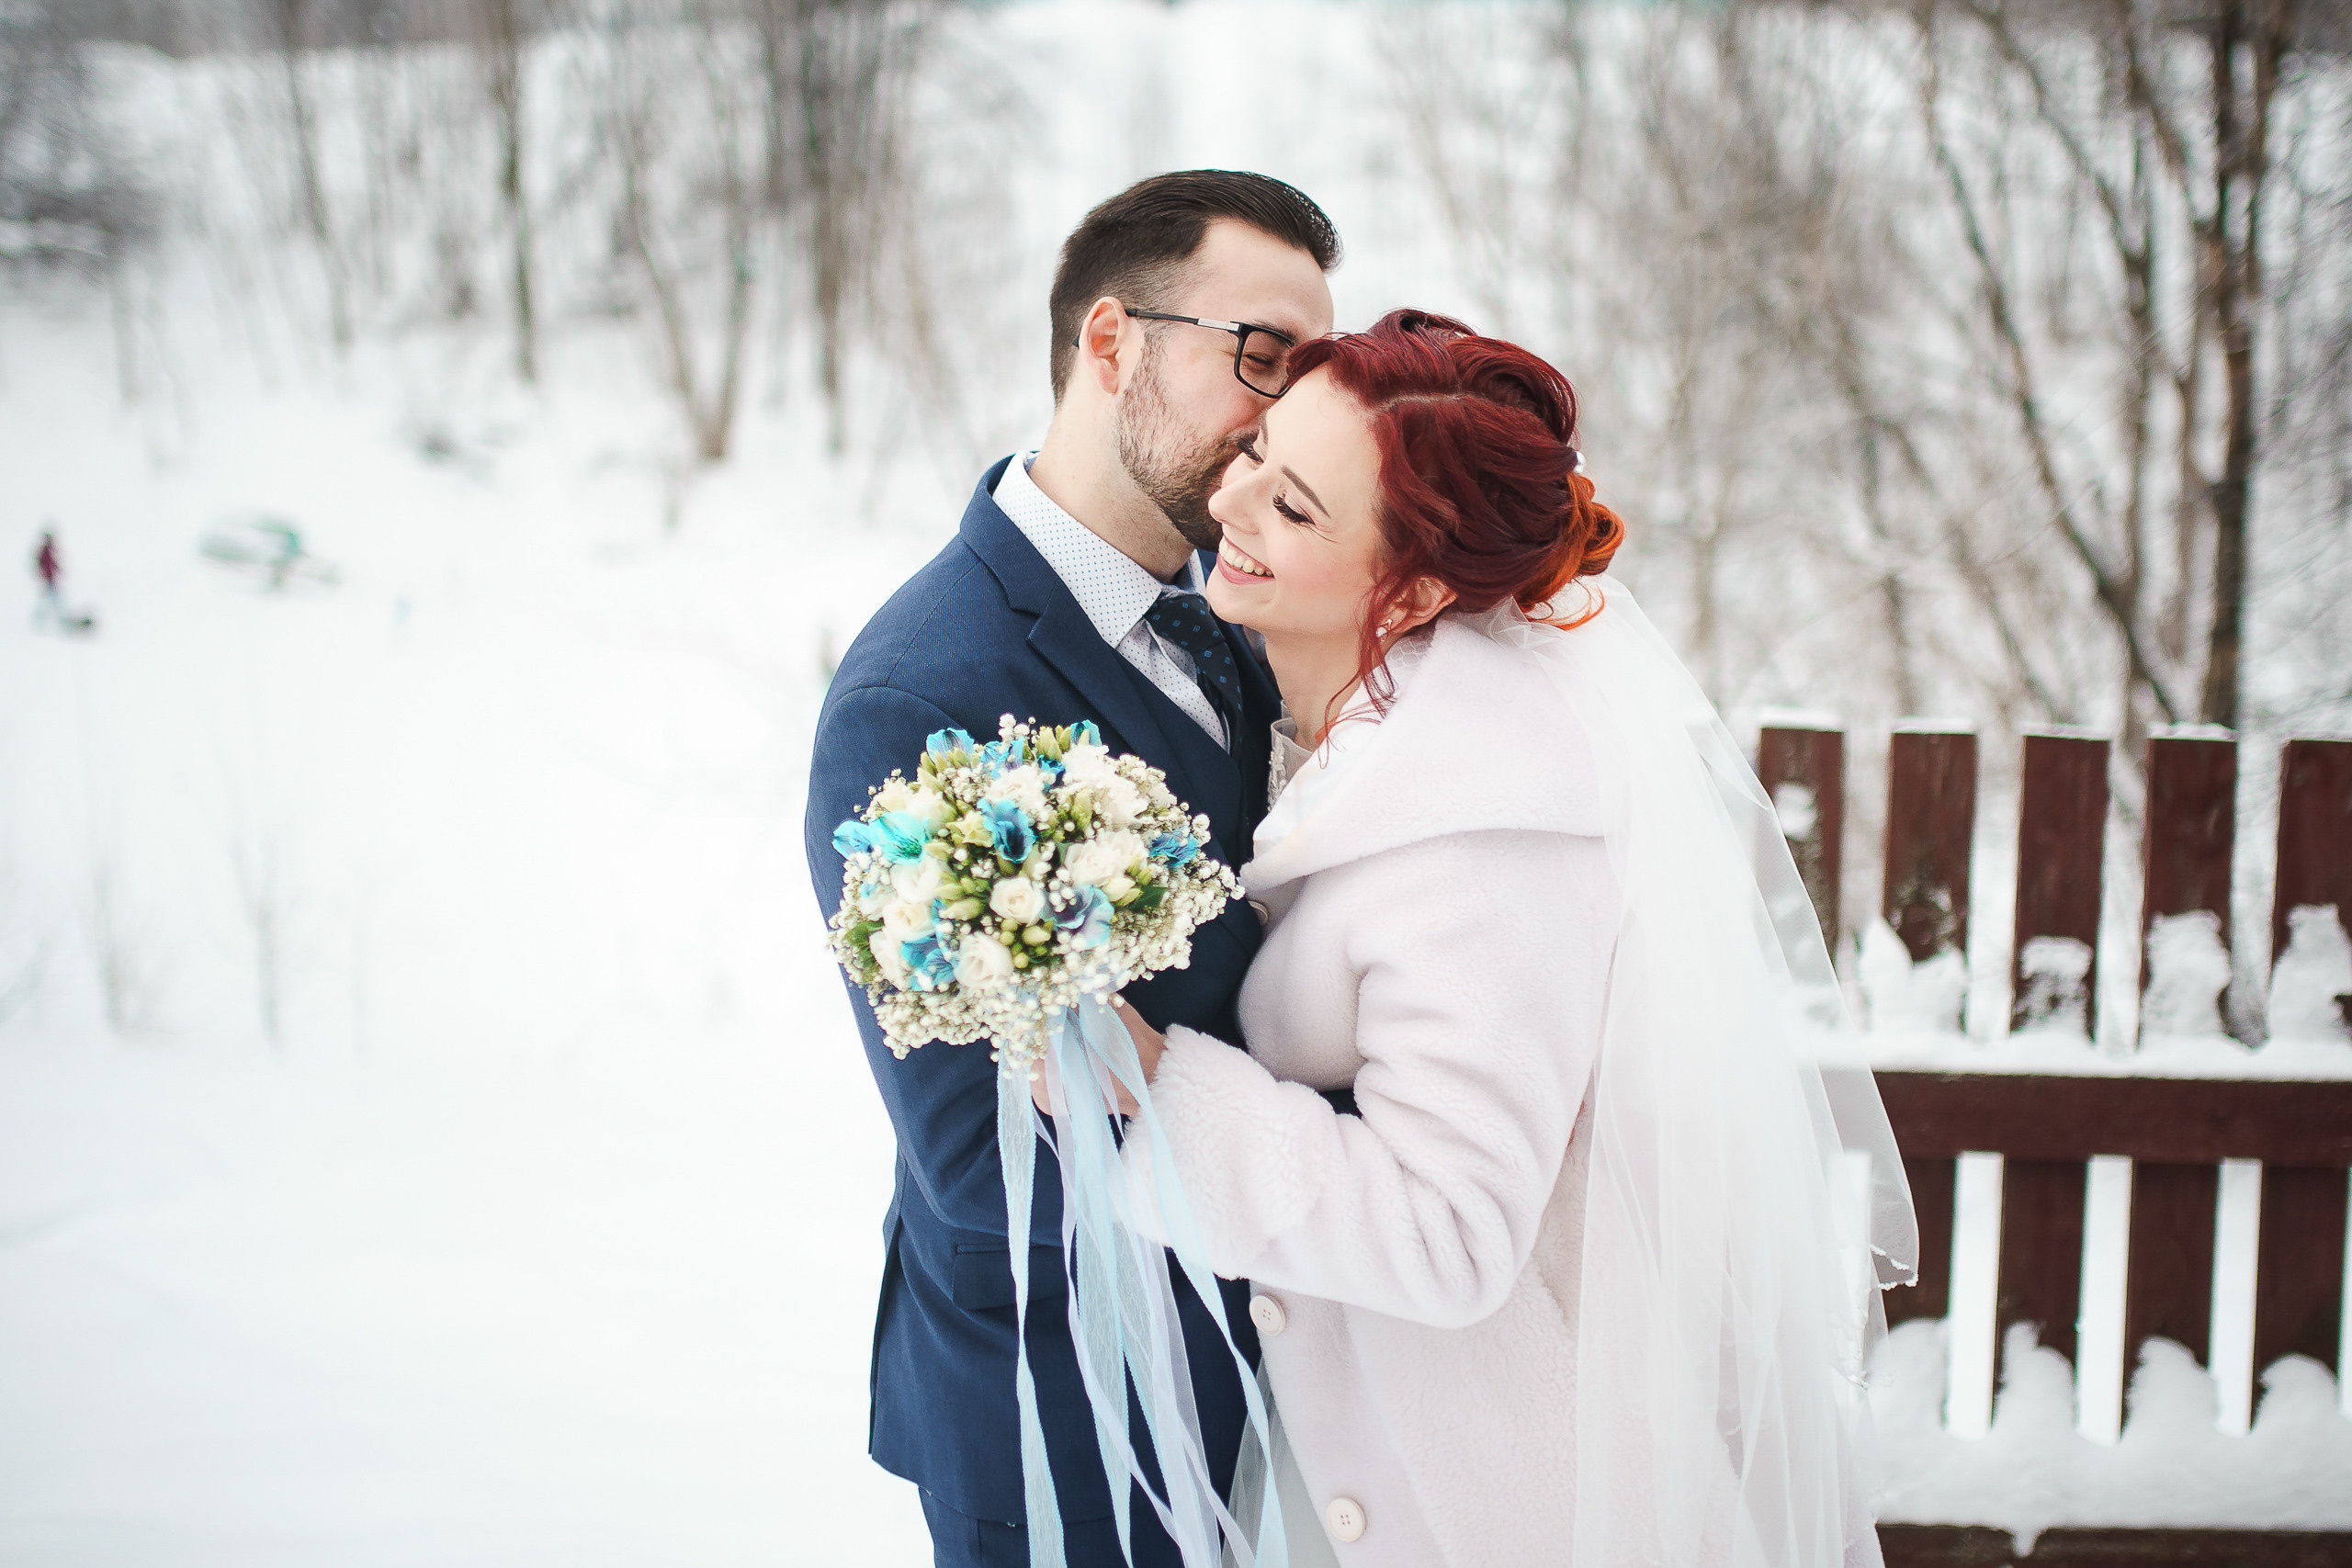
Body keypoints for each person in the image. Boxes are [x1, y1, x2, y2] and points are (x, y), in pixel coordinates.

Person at [1097, 310, 1917, 1565]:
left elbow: (1452, 1230)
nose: (1236, 498)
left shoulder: (1486, 837)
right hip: (1389, 1445)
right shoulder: (1365, 734)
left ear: (1413, 589)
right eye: (1258, 450)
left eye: (1299, 507)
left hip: (1492, 1491)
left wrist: (1167, 1095)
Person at [803, 171, 1340, 1567]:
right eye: (1260, 357)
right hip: (1066, 1408)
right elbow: (980, 1157)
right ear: (1111, 344)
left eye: (1313, 369)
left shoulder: (1231, 620)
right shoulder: (920, 693)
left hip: (1293, 1383)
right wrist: (1339, 1172)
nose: (1286, 414)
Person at [32, 529, 62, 629]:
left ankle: (57, 620)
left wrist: (58, 569)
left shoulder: (49, 550)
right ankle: (39, 622)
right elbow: (42, 564)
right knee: (50, 601)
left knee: (52, 600)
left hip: (51, 579)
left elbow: (52, 563)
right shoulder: (44, 550)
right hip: (48, 579)